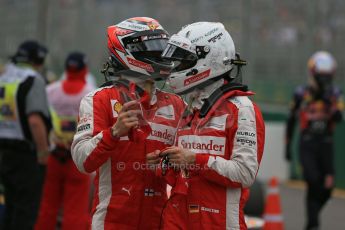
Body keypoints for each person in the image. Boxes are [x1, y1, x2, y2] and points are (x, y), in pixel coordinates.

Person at [147, 22, 265, 230]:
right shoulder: (189, 110)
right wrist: (164, 164)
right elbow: (181, 178)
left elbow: (245, 173)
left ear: (208, 58)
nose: (176, 69)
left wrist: (195, 159)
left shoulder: (242, 109)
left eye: (183, 63)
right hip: (178, 219)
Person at [71, 17, 186, 229]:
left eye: (162, 48)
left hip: (160, 220)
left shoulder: (177, 104)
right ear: (127, 50)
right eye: (152, 48)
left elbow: (189, 169)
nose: (160, 54)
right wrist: (114, 133)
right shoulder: (99, 99)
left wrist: (169, 163)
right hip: (112, 220)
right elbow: (82, 161)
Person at [35, 52, 95, 230]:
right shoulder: (90, 94)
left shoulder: (50, 91)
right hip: (78, 159)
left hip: (53, 155)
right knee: (75, 210)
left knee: (47, 206)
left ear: (66, 69)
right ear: (85, 70)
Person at [285, 51, 343, 230]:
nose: (324, 80)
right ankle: (314, 224)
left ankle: (311, 222)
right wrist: (287, 146)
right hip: (307, 143)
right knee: (312, 179)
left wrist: (328, 101)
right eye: (321, 77)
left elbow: (339, 117)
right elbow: (291, 120)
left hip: (326, 143)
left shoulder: (335, 93)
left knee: (327, 188)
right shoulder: (301, 93)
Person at [0, 40, 51, 229]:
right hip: (26, 155)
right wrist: (43, 152)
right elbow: (35, 121)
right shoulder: (33, 79)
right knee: (26, 211)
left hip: (5, 152)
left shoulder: (5, 77)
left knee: (11, 207)